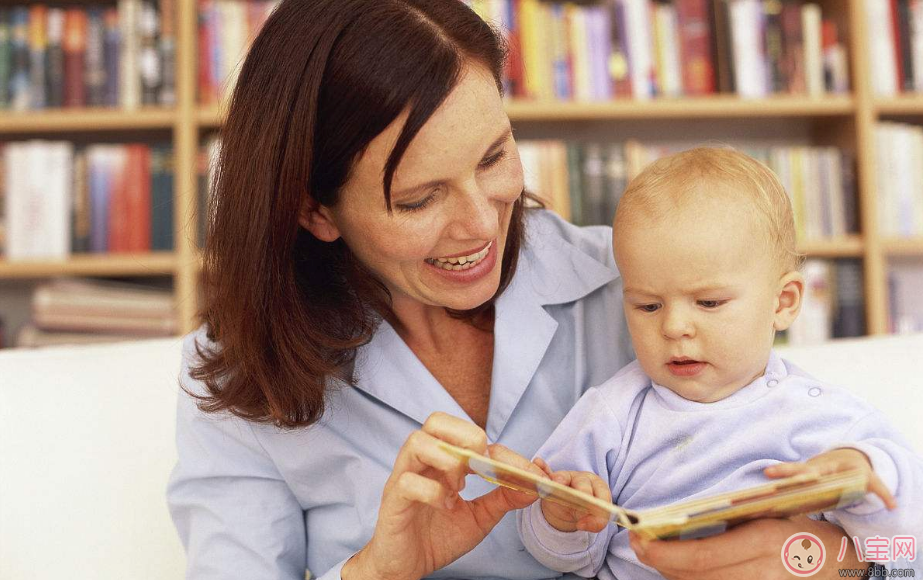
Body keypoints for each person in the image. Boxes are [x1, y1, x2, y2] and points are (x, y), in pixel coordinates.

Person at [166, 1, 868, 578]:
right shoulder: (244, 373)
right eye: (418, 199)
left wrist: (836, 561)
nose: (479, 223)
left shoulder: (656, 291)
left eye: (494, 156)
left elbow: (902, 552)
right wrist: (377, 571)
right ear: (314, 210)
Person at [517, 148, 923, 579]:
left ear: (782, 303)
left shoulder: (823, 418)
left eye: (708, 302)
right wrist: (560, 519)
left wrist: (862, 479)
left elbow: (904, 541)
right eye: (649, 306)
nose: (674, 327)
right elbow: (563, 557)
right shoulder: (610, 413)